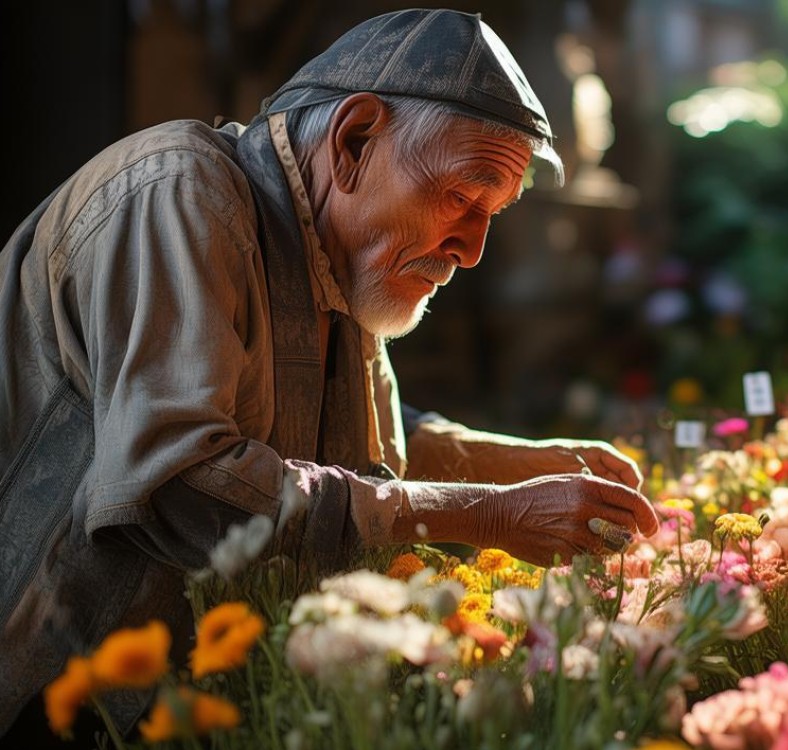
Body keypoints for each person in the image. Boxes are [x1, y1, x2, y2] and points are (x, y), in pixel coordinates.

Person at [0, 8, 657, 743]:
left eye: (492, 214)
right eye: (462, 199)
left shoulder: (334, 247)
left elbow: (346, 441)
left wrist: (508, 461)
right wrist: (487, 513)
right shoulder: (179, 190)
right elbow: (186, 482)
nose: (471, 250)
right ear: (353, 140)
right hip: (44, 700)